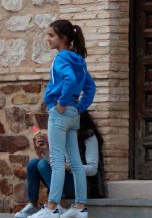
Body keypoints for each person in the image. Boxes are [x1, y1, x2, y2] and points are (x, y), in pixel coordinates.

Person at [30, 20, 96, 218]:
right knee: (74, 162)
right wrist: (78, 108)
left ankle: (52, 208)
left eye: (51, 35)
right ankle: (80, 207)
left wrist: (62, 102)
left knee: (56, 161)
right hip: (72, 113)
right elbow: (90, 88)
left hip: (59, 113)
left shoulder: (61, 59)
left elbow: (70, 80)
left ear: (64, 38)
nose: (47, 39)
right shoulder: (79, 60)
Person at [15, 112, 105, 218]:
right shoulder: (65, 134)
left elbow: (93, 169)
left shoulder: (89, 136)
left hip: (84, 185)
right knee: (34, 163)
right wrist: (46, 149)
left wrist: (68, 167)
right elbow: (55, 164)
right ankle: (33, 204)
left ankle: (60, 204)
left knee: (43, 164)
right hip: (66, 179)